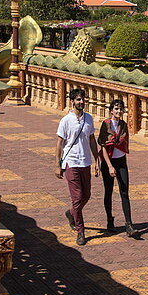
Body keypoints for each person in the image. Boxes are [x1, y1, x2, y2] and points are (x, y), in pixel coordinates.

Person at [55, 87, 100, 246]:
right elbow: (60, 144)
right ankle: (80, 231)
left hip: (85, 162)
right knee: (77, 197)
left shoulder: (89, 118)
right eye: (78, 99)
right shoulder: (66, 120)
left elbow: (92, 140)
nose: (81, 102)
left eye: (83, 99)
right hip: (71, 162)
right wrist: (57, 164)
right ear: (72, 101)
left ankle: (71, 213)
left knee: (87, 195)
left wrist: (97, 160)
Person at [98, 98, 139, 239]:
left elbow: (123, 143)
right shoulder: (106, 124)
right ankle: (110, 220)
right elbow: (103, 146)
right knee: (108, 191)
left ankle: (129, 224)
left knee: (124, 191)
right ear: (111, 110)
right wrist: (109, 166)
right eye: (116, 109)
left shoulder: (123, 125)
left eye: (121, 109)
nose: (119, 111)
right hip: (108, 161)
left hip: (121, 161)